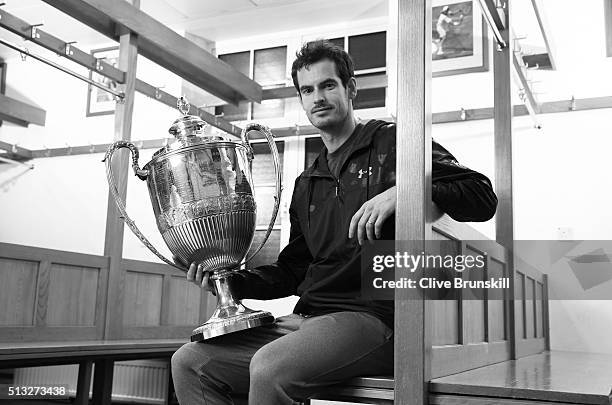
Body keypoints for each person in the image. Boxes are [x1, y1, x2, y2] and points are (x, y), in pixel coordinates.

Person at [171, 40, 497, 405]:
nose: (318, 97)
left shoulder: (392, 143)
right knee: (191, 361)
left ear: (351, 88)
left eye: (328, 85)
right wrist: (232, 283)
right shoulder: (307, 182)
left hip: (374, 318)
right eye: (307, 90)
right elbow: (294, 270)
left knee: (268, 368)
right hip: (309, 318)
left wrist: (408, 191)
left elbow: (482, 196)